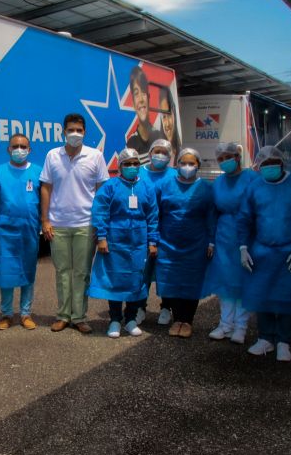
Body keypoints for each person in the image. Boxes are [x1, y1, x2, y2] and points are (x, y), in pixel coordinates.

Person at [237, 146, 291, 362]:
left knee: (287, 297)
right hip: (262, 250)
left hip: (289, 251)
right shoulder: (255, 186)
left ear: (282, 162)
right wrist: (243, 247)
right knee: (263, 295)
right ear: (258, 167)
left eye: (273, 163)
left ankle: (284, 341)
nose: (269, 167)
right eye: (264, 164)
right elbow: (244, 218)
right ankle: (265, 338)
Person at [41, 113, 109, 334]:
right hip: (58, 224)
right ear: (64, 132)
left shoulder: (95, 156)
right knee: (62, 271)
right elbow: (46, 188)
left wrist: (99, 224)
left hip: (85, 224)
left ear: (85, 132)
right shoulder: (53, 155)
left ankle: (79, 317)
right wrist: (45, 220)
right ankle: (63, 315)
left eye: (79, 130)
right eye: (71, 130)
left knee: (81, 272)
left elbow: (101, 191)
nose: (75, 134)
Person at [89, 148, 158, 338]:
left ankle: (131, 320)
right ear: (120, 166)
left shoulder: (147, 188)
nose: (132, 167)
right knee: (115, 281)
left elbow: (153, 217)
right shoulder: (110, 186)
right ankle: (114, 320)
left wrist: (153, 241)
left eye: (136, 163)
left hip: (139, 244)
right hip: (115, 242)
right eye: (127, 164)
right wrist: (101, 238)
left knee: (136, 281)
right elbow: (100, 212)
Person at [0, 134, 42, 331]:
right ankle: (6, 314)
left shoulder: (38, 172)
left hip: (29, 230)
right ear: (8, 149)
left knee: (28, 272)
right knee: (6, 273)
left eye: (23, 146)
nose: (19, 150)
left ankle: (25, 313)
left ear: (29, 149)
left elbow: (45, 201)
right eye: (15, 146)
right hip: (5, 231)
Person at [154, 147, 215, 338]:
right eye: (183, 163)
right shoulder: (165, 185)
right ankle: (177, 319)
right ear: (177, 164)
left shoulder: (205, 188)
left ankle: (187, 320)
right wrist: (154, 239)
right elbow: (156, 214)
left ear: (198, 165)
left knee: (191, 281)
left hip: (196, 243)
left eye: (192, 163)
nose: (187, 167)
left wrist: (212, 242)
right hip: (168, 243)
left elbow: (211, 216)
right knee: (172, 281)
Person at [203, 142, 257, 344]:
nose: (225, 161)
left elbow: (259, 209)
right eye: (221, 158)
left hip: (248, 236)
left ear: (238, 156)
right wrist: (211, 240)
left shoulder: (253, 179)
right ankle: (225, 325)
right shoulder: (218, 183)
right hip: (224, 236)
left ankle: (241, 327)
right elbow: (213, 214)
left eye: (229, 157)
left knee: (243, 281)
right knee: (225, 282)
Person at [137, 139, 177, 325]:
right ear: (150, 152)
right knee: (142, 270)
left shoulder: (174, 175)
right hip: (142, 229)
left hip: (168, 230)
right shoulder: (140, 172)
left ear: (170, 156)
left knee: (166, 270)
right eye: (157, 151)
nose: (160, 155)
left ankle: (166, 308)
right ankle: (139, 307)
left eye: (164, 152)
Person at [126, 67, 164, 165]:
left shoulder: (159, 136)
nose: (141, 99)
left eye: (143, 92)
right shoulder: (131, 141)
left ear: (149, 98)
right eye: (136, 94)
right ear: (133, 104)